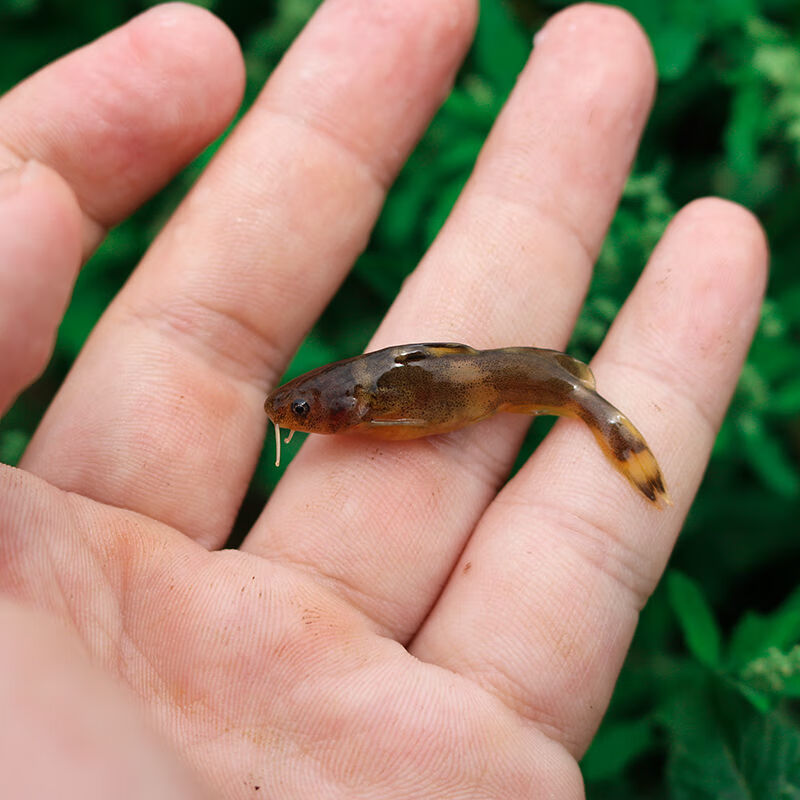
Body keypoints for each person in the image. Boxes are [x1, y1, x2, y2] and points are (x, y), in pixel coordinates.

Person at [0, 1, 767, 797]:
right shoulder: (360, 401)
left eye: (301, 411)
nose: (295, 417)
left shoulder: (371, 403)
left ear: (335, 406)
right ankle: (598, 416)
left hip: (517, 383)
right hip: (496, 381)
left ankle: (605, 422)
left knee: (560, 392)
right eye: (300, 412)